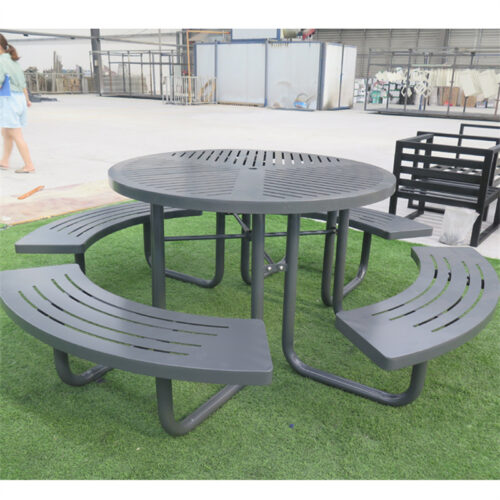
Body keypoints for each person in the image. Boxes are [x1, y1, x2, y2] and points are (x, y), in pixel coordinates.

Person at [0, 33, 35, 173]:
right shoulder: (12, 60)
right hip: (19, 98)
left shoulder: (1, 61)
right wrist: (27, 99)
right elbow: (23, 83)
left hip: (10, 100)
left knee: (15, 134)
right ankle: (4, 161)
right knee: (6, 131)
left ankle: (29, 165)